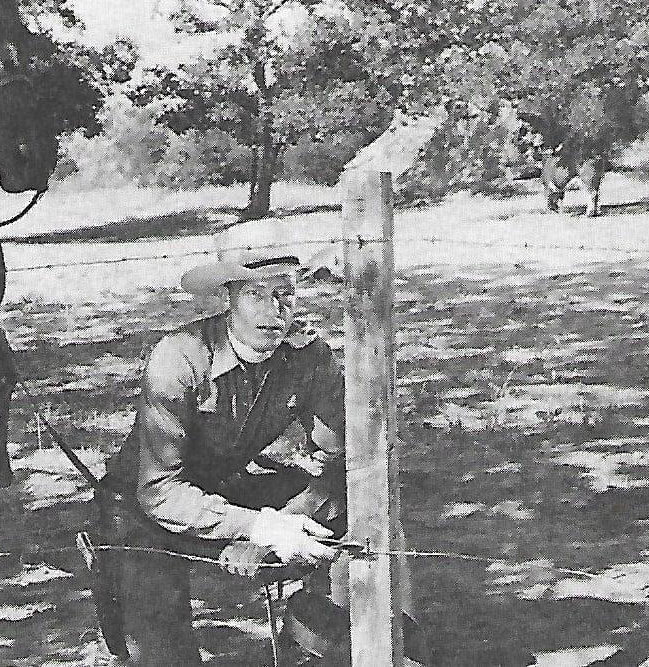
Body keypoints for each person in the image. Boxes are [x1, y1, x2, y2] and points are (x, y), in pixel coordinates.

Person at [97, 219, 420, 666]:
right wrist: (258, 528)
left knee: (359, 501)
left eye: (285, 291)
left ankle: (339, 640)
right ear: (228, 298)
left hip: (227, 486)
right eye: (255, 294)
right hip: (142, 507)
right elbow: (158, 491)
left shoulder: (305, 355)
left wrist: (284, 522)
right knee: (162, 653)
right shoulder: (180, 358)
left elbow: (341, 455)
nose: (275, 310)